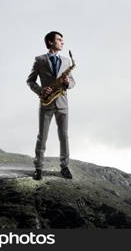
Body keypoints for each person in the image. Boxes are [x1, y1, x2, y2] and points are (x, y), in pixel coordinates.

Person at [26, 31, 76, 180]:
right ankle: (38, 168)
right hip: (46, 102)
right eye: (59, 40)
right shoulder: (40, 60)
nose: (62, 42)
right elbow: (30, 81)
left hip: (62, 103)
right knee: (42, 137)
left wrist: (68, 83)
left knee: (64, 136)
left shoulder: (67, 61)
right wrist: (41, 90)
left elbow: (73, 81)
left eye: (62, 40)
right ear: (50, 42)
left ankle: (64, 166)